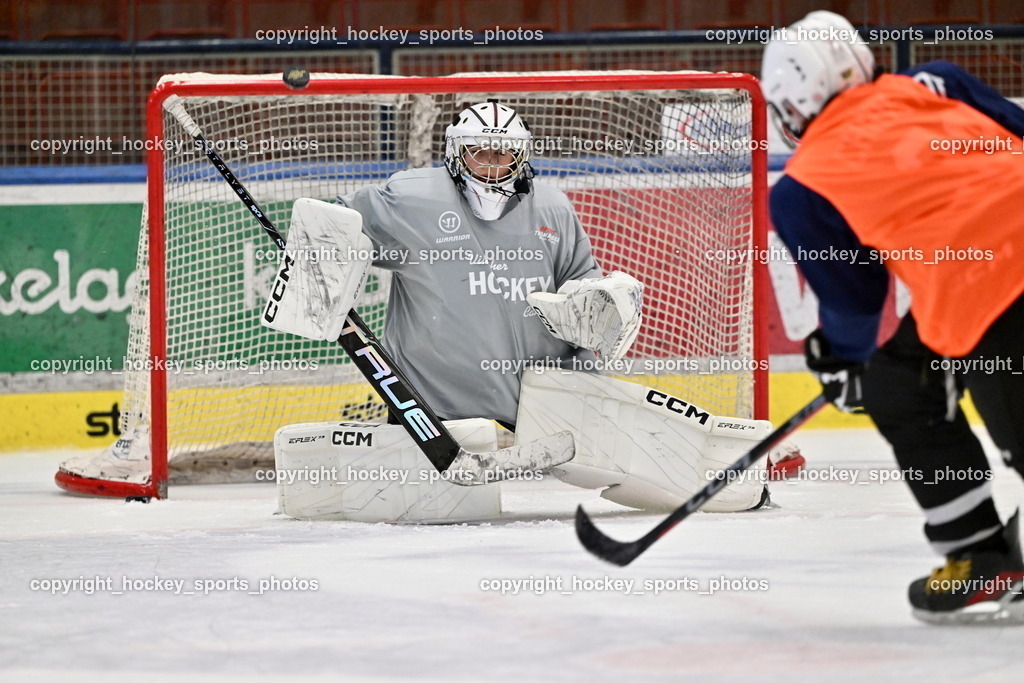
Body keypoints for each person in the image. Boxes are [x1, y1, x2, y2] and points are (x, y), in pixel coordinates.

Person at [266, 100, 772, 521]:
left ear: (522, 158)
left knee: (635, 462)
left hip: (541, 394)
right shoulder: (411, 199)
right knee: (434, 509)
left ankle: (730, 479)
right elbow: (336, 229)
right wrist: (315, 267)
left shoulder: (551, 208)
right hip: (432, 403)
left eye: (504, 156)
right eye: (479, 154)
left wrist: (595, 303)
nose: (492, 165)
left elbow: (583, 280)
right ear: (456, 155)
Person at [762, 10, 1024, 624]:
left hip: (996, 297)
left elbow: (856, 304)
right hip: (987, 292)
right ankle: (981, 557)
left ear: (791, 105)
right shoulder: (936, 82)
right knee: (897, 375)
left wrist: (839, 359)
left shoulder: (802, 186)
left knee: (887, 381)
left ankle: (982, 559)